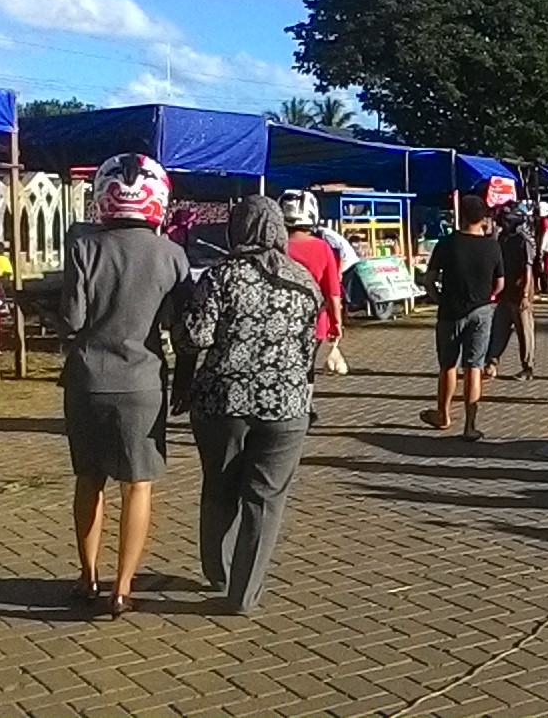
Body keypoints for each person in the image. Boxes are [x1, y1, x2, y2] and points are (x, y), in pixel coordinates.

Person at [61, 154, 189, 618]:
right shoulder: (172, 255)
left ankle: (88, 576)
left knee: (88, 479)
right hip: (144, 382)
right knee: (138, 485)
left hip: (88, 380)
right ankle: (122, 587)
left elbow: (73, 318)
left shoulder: (83, 246)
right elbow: (181, 325)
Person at [180, 196, 321, 615]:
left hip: (223, 401)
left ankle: (218, 570)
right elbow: (309, 344)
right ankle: (244, 593)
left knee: (220, 486)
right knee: (266, 499)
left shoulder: (221, 276)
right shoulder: (304, 280)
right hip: (288, 405)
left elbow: (195, 338)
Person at [423, 195, 504, 440]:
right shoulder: (492, 246)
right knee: (474, 367)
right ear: (483, 218)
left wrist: (438, 298)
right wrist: (487, 297)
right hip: (481, 311)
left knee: (448, 365)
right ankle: (470, 425)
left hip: (450, 311)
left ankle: (443, 415)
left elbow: (430, 278)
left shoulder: (447, 243)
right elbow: (500, 284)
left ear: (462, 216)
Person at [279, 191, 344, 367]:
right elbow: (332, 292)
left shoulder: (274, 247)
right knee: (305, 368)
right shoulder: (322, 248)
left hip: (277, 320)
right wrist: (336, 323)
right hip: (314, 321)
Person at [487, 203, 536, 381]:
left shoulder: (523, 240)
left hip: (519, 291)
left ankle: (527, 367)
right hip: (505, 291)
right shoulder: (502, 238)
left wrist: (524, 295)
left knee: (525, 331)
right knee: (499, 328)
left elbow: (528, 270)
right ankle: (492, 362)